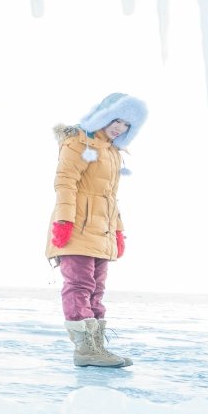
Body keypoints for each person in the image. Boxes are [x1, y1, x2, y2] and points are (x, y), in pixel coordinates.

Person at [46, 92, 148, 368]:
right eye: (116, 119)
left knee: (96, 290)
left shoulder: (112, 152)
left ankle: (96, 347)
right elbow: (65, 182)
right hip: (76, 227)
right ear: (104, 114)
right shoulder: (79, 141)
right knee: (79, 285)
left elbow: (109, 197)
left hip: (101, 230)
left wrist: (118, 231)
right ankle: (85, 350)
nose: (119, 127)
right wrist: (63, 223)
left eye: (127, 124)